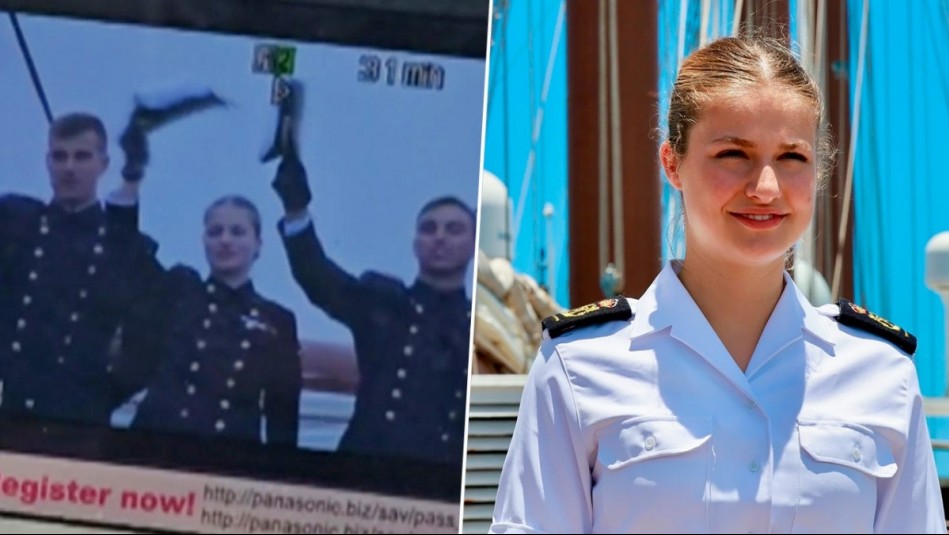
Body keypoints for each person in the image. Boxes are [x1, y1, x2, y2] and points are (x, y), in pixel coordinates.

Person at [490, 34, 946, 534]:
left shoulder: (883, 374)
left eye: (792, 157)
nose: (765, 187)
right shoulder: (577, 370)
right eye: (734, 153)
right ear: (672, 163)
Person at [269, 147, 474, 466]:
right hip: (362, 473)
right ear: (415, 243)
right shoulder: (387, 304)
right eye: (429, 228)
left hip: (435, 487)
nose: (440, 238)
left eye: (454, 229)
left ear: (473, 242)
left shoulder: (477, 328)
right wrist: (296, 209)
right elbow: (319, 279)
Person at [0, 112, 158, 426]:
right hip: (10, 412)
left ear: (104, 164)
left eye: (82, 156)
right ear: (47, 162)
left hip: (78, 422)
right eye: (60, 157)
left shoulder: (123, 247)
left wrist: (106, 395)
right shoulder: (18, 224)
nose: (69, 168)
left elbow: (154, 336)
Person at [115, 196, 302, 446]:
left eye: (237, 232)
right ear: (203, 240)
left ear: (258, 244)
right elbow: (131, 260)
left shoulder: (277, 320)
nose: (225, 240)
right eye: (215, 232)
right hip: (154, 445)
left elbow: (283, 417)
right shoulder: (178, 290)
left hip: (226, 458)